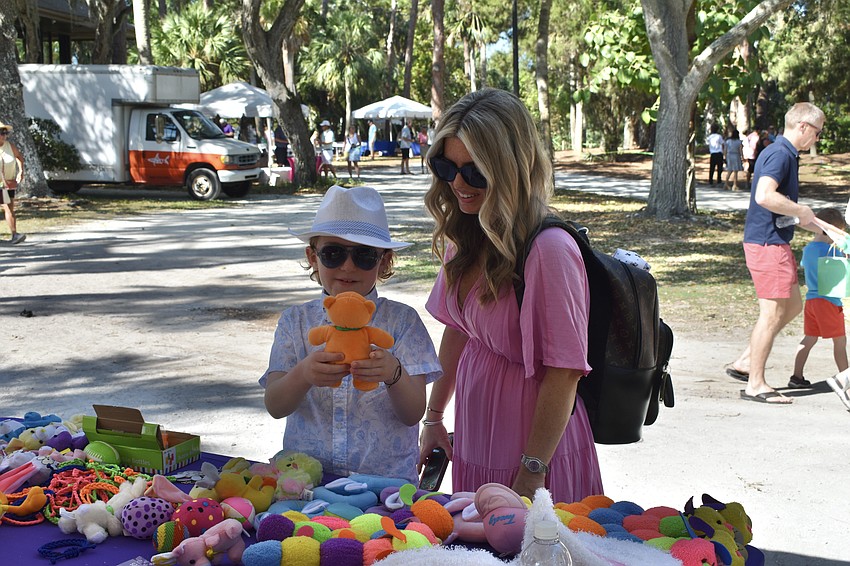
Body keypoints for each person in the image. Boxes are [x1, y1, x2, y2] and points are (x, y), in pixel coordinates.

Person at [419, 88, 603, 502]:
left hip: (531, 446)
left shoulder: (549, 249)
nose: (458, 184)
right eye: (448, 167)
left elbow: (565, 371)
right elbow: (457, 330)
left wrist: (532, 472)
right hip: (477, 434)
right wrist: (433, 417)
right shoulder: (466, 236)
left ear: (510, 169)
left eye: (476, 172)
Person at [260, 185, 442, 481]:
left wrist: (394, 373)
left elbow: (413, 413)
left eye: (364, 255)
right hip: (307, 480)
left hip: (384, 482)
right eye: (333, 253)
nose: (348, 266)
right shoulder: (295, 321)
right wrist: (303, 374)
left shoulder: (403, 322)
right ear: (312, 256)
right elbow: (275, 405)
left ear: (384, 260)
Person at [726, 102, 826, 405]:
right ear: (804, 127)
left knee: (793, 305)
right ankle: (755, 383)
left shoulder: (784, 154)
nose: (817, 140)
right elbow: (765, 196)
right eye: (818, 133)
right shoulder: (781, 154)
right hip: (767, 245)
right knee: (771, 314)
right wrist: (801, 210)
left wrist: (824, 229)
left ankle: (746, 360)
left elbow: (787, 211)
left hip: (773, 241)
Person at [792, 208, 848, 393]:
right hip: (829, 301)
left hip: (812, 301)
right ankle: (845, 379)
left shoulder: (808, 249)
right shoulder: (832, 251)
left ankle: (796, 376)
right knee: (840, 343)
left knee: (809, 339)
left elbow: (805, 266)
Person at [0, 121, 26, 245]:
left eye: (5, 133)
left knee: (9, 208)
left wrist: (21, 172)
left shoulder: (10, 146)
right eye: (1, 133)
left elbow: (20, 158)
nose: (4, 136)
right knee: (6, 206)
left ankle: (15, 234)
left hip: (8, 183)